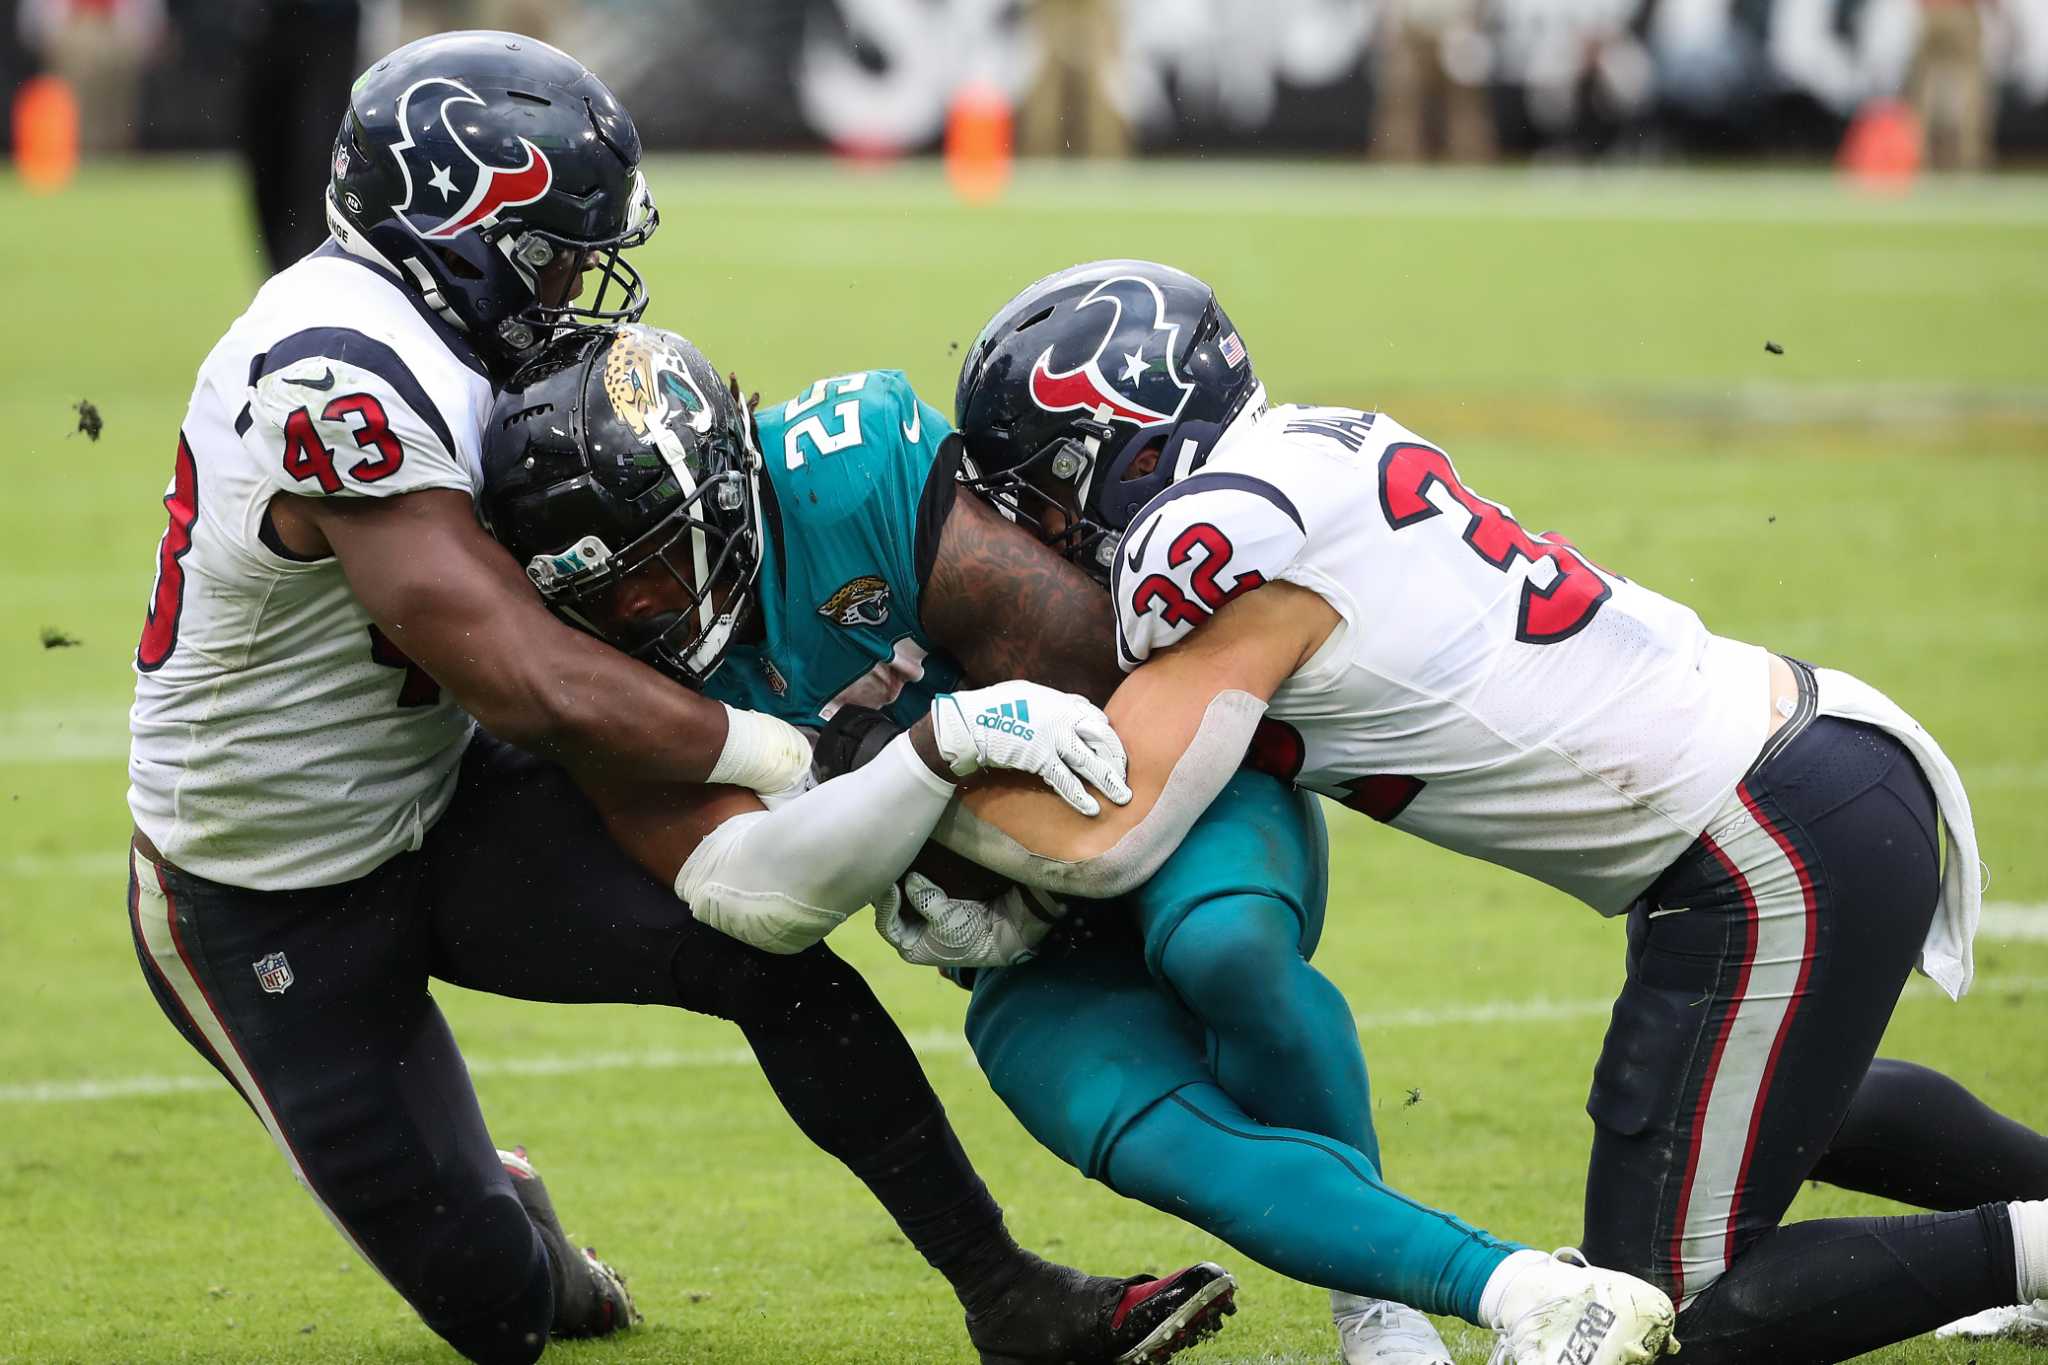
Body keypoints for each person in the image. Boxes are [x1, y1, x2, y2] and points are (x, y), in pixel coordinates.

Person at [122, 31, 1224, 1363]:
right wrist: (797, 755)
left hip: (444, 793)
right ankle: (504, 1202)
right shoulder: (339, 367)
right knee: (500, 1303)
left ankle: (1009, 1296)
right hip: (259, 881)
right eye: (556, 251)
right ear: (465, 234)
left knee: (770, 963)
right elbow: (520, 674)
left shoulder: (445, 327)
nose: (582, 286)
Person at [480, 323, 1709, 1365]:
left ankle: (1376, 1308)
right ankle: (1519, 1291)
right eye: (588, 599)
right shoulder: (574, 674)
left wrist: (925, 828)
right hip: (1007, 945)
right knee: (1109, 1107)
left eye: (643, 577)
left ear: (720, 497)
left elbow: (1101, 673)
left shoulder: (849, 483)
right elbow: (755, 900)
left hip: (1157, 786)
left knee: (1227, 951)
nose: (627, 618)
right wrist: (931, 764)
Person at [934, 258, 2048, 1364]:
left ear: (1118, 448)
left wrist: (908, 778)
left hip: (1762, 839)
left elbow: (1105, 836)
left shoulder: (1209, 549)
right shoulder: (1318, 444)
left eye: (1035, 490)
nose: (1029, 527)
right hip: (1804, 773)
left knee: (1671, 1310)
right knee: (1756, 1113)